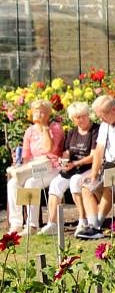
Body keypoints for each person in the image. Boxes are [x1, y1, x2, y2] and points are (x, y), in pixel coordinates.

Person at [38, 102, 100, 237]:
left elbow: (94, 155)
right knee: (55, 184)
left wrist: (76, 163)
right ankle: (52, 223)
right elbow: (66, 152)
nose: (81, 119)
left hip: (89, 168)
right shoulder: (72, 132)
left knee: (75, 182)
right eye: (77, 117)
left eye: (83, 116)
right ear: (73, 119)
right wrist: (63, 161)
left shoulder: (95, 130)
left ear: (88, 115)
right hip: (73, 168)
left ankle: (83, 221)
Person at [79, 94, 115, 238]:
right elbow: (99, 150)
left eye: (102, 115)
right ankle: (93, 225)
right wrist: (93, 175)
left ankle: (97, 225)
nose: (100, 120)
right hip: (108, 165)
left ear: (113, 110)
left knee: (108, 184)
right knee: (86, 187)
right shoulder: (105, 126)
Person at [6, 99, 64, 234]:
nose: (38, 114)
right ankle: (16, 224)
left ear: (48, 114)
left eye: (42, 112)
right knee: (13, 184)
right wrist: (19, 161)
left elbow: (51, 150)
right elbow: (26, 156)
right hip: (33, 166)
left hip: (51, 166)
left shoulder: (55, 128)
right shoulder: (30, 131)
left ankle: (32, 225)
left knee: (31, 183)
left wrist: (45, 130)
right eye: (35, 111)